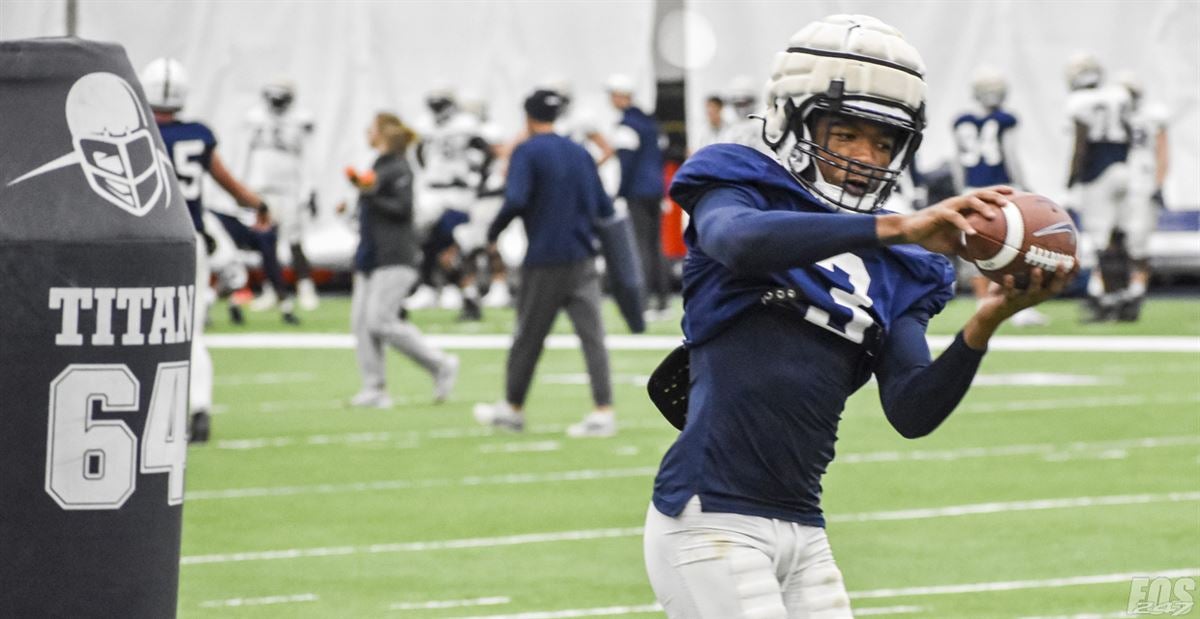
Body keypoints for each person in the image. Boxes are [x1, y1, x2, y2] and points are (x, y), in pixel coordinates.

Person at [641, 15, 1072, 618]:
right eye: (845, 134)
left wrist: (986, 323)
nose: (865, 158)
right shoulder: (742, 185)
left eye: (884, 142)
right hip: (710, 516)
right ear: (795, 119)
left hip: (804, 529)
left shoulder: (905, 266)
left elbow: (912, 409)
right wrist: (899, 225)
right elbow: (735, 241)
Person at [140, 57, 272, 443]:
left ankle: (150, 412)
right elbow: (228, 182)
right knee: (191, 332)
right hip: (188, 240)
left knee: (142, 330)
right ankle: (199, 408)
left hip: (145, 242)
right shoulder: (198, 134)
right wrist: (258, 205)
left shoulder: (137, 134)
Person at [472, 90, 617, 438]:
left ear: (527, 117)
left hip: (544, 256)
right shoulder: (580, 152)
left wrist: (493, 232)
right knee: (592, 337)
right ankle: (603, 410)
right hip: (583, 254)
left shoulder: (528, 151)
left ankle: (512, 407)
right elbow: (603, 206)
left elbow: (516, 198)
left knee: (528, 336)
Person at [343, 112, 459, 408]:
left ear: (382, 133)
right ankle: (373, 388)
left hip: (395, 256)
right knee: (361, 323)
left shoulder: (397, 167)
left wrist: (369, 193)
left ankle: (439, 364)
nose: (366, 133)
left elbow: (402, 208)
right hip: (370, 254)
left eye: (371, 129)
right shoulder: (379, 165)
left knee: (381, 320)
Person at [952, 66, 1049, 327]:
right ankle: (1018, 308)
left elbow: (957, 164)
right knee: (1016, 246)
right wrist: (1023, 186)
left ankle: (982, 301)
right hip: (1001, 189)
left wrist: (962, 191)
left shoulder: (962, 121)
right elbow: (1011, 155)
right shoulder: (1005, 119)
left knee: (976, 248)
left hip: (971, 190)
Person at [1064, 52, 1133, 322]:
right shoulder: (1118, 95)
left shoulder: (1079, 101)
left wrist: (1070, 178)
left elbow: (1080, 145)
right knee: (1119, 237)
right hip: (1122, 167)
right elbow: (1127, 133)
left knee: (1100, 241)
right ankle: (1125, 296)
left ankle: (1105, 299)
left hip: (1097, 172)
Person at [242, 78, 321, 312]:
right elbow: (244, 154)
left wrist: (310, 189)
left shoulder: (300, 120)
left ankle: (305, 287)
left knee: (295, 240)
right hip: (263, 188)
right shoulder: (255, 119)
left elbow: (309, 157)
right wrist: (245, 189)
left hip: (290, 189)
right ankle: (272, 289)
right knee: (267, 242)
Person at [607, 74, 669, 317]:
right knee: (655, 246)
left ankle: (642, 301)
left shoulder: (627, 124)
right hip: (655, 189)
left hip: (637, 191)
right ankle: (662, 300)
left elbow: (627, 163)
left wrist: (619, 192)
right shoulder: (649, 121)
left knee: (640, 246)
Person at [1112, 70, 1169, 321]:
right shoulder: (1111, 117)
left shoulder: (1150, 117)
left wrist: (1158, 183)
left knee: (1138, 243)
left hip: (1142, 183)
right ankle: (1112, 294)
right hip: (1120, 185)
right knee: (1113, 240)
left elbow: (1162, 151)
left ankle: (1136, 291)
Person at [716, 75, 763, 148]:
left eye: (744, 103)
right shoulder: (728, 131)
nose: (741, 108)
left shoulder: (762, 127)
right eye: (737, 104)